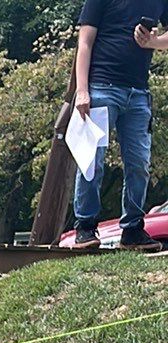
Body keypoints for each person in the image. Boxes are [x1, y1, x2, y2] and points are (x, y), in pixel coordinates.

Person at [72, 0, 166, 249]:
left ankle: (133, 230)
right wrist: (82, 91)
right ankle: (85, 227)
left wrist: (153, 43)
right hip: (102, 88)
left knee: (139, 164)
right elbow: (84, 42)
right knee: (92, 160)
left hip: (139, 93)